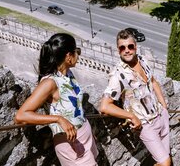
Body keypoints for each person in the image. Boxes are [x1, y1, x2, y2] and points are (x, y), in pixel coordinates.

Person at [14, 33, 98, 165]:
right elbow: (21, 116)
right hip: (70, 144)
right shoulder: (50, 83)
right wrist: (58, 119)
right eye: (77, 51)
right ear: (68, 56)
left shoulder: (68, 74)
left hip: (85, 137)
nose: (79, 55)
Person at [100, 29, 171, 166]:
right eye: (122, 47)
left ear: (135, 47)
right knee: (165, 162)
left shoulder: (143, 60)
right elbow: (105, 106)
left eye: (130, 46)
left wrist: (164, 106)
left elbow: (153, 81)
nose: (127, 50)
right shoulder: (118, 75)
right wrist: (132, 117)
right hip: (145, 125)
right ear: (118, 50)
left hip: (161, 115)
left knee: (163, 159)